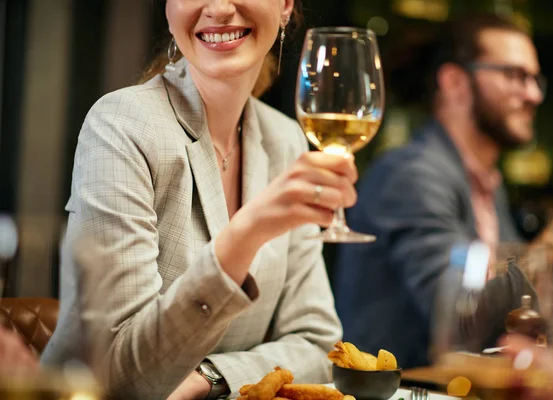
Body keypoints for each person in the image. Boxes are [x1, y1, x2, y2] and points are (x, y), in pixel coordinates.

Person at [41, 1, 356, 399]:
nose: (220, 8)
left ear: (285, 6)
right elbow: (110, 375)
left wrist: (208, 377)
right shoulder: (122, 126)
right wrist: (244, 235)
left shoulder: (286, 140)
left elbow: (316, 343)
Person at [335, 13, 553, 369]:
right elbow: (465, 315)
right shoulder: (410, 175)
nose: (534, 95)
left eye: (536, 79)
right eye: (515, 76)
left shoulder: (486, 184)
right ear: (456, 82)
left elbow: (523, 313)